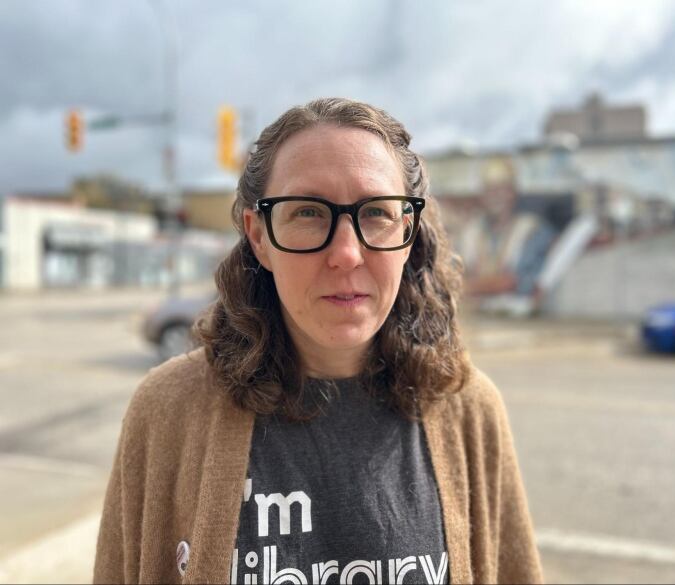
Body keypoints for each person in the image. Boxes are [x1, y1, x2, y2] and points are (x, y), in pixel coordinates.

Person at [93, 98, 543, 584]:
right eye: (307, 211)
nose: (346, 254)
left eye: (375, 213)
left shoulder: (469, 411)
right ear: (259, 235)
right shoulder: (167, 410)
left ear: (408, 232)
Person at [458, 158, 556, 316]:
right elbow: (455, 274)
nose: (495, 196)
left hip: (521, 320)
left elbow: (516, 282)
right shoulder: (470, 232)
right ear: (482, 194)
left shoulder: (531, 230)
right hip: (477, 318)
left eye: (502, 189)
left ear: (513, 192)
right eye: (490, 189)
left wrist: (465, 287)